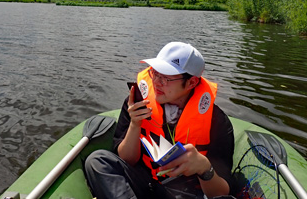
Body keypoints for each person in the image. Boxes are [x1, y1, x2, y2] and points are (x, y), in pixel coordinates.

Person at [85, 42, 235, 199]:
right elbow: (127, 160)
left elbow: (221, 192)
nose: (156, 82)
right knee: (97, 161)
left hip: (185, 192)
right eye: (155, 73)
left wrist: (204, 168)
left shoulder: (217, 121)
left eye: (166, 78)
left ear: (191, 82)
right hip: (143, 182)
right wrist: (135, 124)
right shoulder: (137, 103)